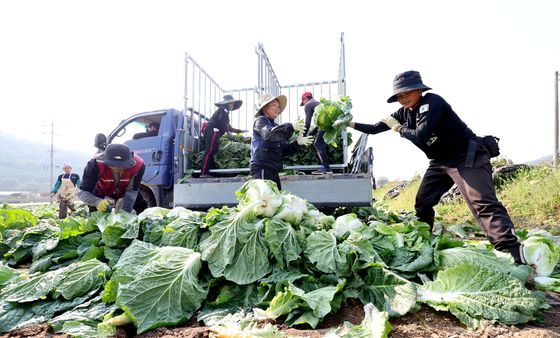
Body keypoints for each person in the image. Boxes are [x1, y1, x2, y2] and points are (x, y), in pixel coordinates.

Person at [348, 70, 525, 264]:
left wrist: (398, 128)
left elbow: (420, 136)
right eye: (399, 96)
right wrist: (348, 123)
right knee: (423, 201)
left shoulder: (433, 102)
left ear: (419, 90)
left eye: (406, 93)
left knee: (481, 201)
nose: (403, 98)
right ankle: (424, 242)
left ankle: (512, 250)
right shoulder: (403, 112)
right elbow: (374, 128)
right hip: (440, 162)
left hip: (466, 155)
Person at [250, 93, 313, 189]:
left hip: (273, 169)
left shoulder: (275, 126)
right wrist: (290, 126)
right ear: (265, 108)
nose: (277, 108)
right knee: (265, 200)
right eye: (274, 105)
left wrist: (297, 143)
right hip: (262, 167)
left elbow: (283, 150)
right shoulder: (260, 121)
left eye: (278, 106)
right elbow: (269, 134)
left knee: (276, 198)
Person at [78, 143, 148, 214]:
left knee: (141, 207)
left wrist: (125, 213)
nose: (117, 168)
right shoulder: (94, 164)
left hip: (125, 189)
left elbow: (131, 190)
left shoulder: (139, 165)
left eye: (122, 165)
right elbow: (82, 192)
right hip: (101, 191)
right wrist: (97, 202)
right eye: (113, 165)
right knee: (95, 216)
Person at [201, 95, 247, 177]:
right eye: (230, 104)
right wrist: (228, 133)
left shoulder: (225, 113)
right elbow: (222, 121)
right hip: (213, 130)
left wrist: (239, 131)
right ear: (226, 104)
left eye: (233, 104)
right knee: (210, 151)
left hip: (215, 132)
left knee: (213, 150)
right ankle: (204, 173)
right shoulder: (223, 110)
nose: (232, 105)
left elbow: (228, 126)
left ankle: (209, 171)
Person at [300, 91, 333, 174]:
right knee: (321, 143)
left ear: (306, 99)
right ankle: (324, 167)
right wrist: (311, 133)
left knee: (318, 143)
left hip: (326, 123)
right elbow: (319, 124)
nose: (303, 105)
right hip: (330, 121)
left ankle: (326, 168)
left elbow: (307, 123)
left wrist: (303, 136)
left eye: (303, 102)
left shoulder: (308, 105)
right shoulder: (317, 103)